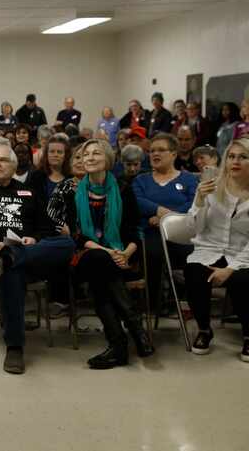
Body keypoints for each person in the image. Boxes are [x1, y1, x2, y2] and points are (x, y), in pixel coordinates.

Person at [0, 142, 74, 374]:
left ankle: (12, 256)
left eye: (2, 160)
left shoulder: (29, 193)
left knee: (67, 243)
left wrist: (34, 238)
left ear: (14, 166)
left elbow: (45, 227)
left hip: (26, 254)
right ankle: (14, 347)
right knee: (10, 272)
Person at [184, 137, 249, 362]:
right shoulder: (212, 189)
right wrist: (198, 200)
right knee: (194, 274)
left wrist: (230, 269)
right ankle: (204, 329)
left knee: (241, 281)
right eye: (231, 157)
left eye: (243, 157)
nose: (235, 161)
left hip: (245, 257)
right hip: (209, 250)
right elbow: (194, 229)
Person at [70, 139, 154, 369]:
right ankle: (136, 328)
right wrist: (110, 252)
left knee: (101, 283)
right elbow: (77, 236)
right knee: (100, 261)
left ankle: (118, 346)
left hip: (122, 255)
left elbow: (134, 230)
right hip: (86, 254)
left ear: (107, 159)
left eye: (95, 153)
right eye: (85, 154)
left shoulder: (123, 189)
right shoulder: (75, 192)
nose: (89, 158)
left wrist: (125, 253)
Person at [132, 133, 198, 312]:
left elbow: (193, 203)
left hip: (182, 231)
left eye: (161, 150)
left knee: (193, 256)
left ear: (174, 154)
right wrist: (163, 212)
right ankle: (153, 303)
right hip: (151, 232)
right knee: (153, 253)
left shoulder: (189, 179)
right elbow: (138, 202)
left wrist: (166, 218)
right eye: (152, 151)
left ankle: (187, 302)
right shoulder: (141, 179)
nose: (155, 154)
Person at [31, 134, 71, 199]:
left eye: (59, 152)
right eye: (52, 151)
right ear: (46, 155)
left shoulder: (72, 179)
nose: (55, 155)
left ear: (66, 155)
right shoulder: (36, 177)